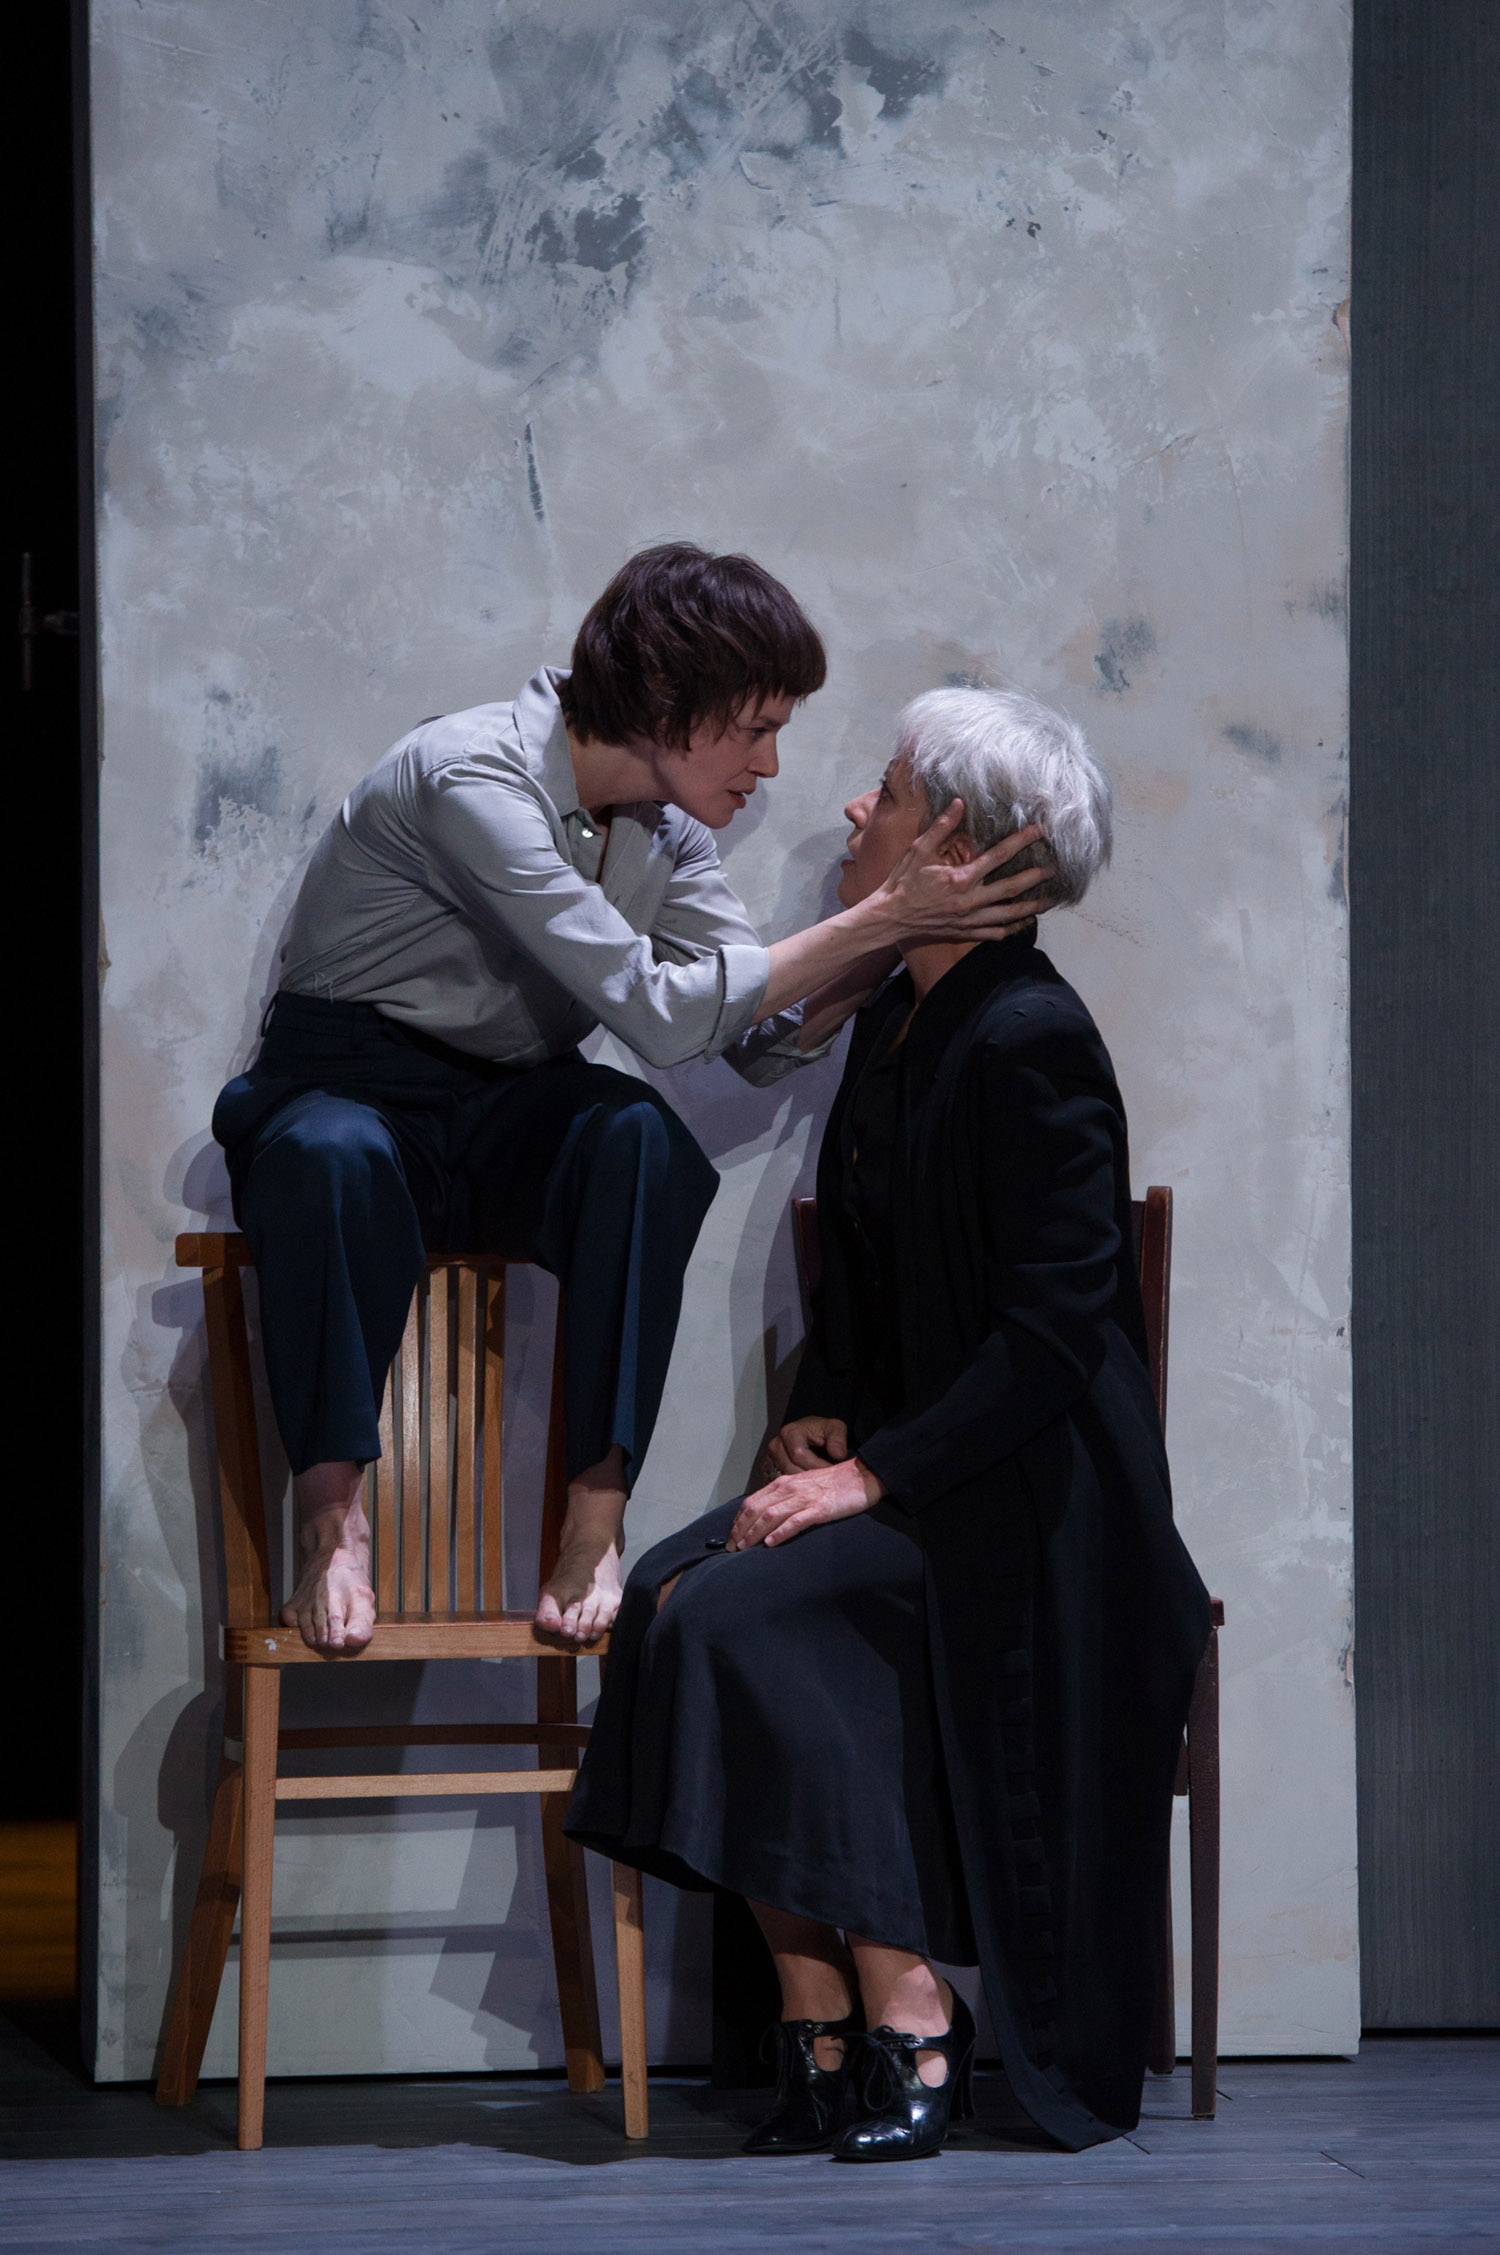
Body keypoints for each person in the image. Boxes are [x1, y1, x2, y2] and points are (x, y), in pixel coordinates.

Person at [567, 686, 1212, 2160]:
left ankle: (910, 2009)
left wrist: (872, 1476)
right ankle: (817, 2023)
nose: (856, 811)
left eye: (891, 791)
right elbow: (866, 1271)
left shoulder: (1032, 1036)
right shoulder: (904, 1018)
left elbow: (1055, 1332)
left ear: (962, 845)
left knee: (739, 1613)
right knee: (671, 1592)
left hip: (1042, 1502)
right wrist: (823, 1411)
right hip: (928, 1469)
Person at [211, 549, 1052, 1656]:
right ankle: (331, 1517)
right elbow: (656, 1012)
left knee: (640, 1140)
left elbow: (753, 1038)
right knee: (333, 1154)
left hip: (503, 1104)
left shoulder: (666, 832)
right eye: (755, 727)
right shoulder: (471, 777)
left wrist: (900, 938)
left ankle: (595, 1514)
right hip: (344, 1081)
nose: (770, 764)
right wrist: (882, 917)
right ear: (669, 700)